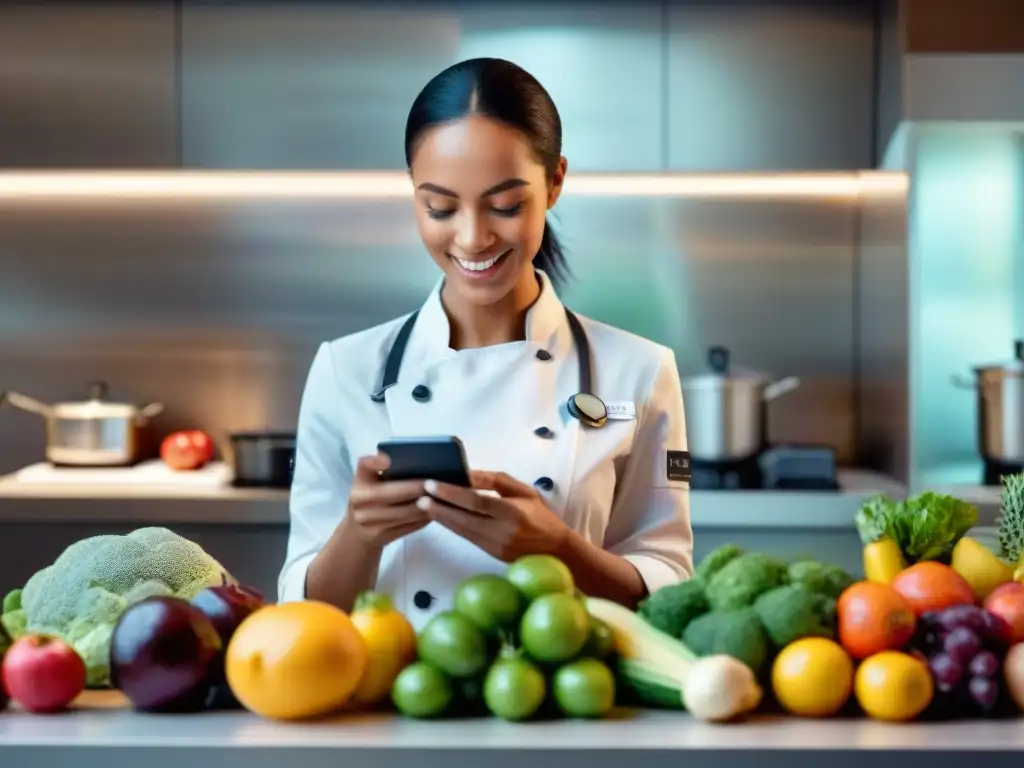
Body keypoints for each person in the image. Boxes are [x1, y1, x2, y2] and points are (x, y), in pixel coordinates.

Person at [278, 57, 693, 627]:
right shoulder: (343, 371)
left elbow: (668, 589)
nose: (473, 237)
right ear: (413, 193)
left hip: (566, 697)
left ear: (555, 182)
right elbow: (303, 618)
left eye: (505, 205)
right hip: (393, 703)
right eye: (440, 207)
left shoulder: (641, 371)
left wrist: (559, 549)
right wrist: (360, 532)